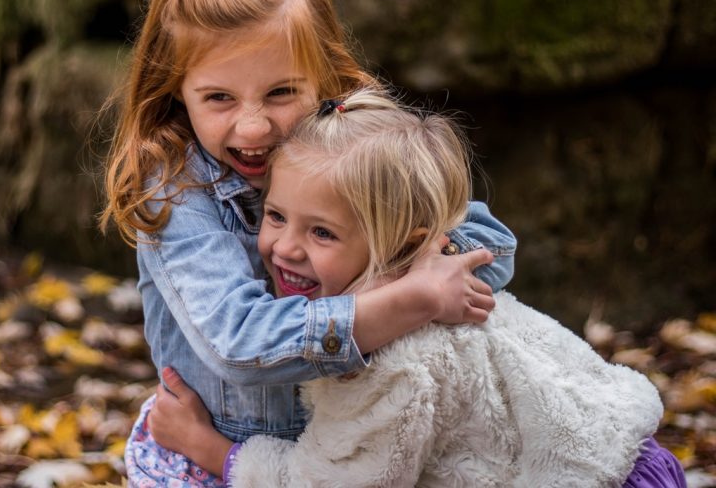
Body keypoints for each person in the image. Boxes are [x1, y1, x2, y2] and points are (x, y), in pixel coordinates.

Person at [100, 0, 516, 487]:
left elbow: (491, 249)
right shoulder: (177, 190)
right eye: (219, 98)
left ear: (324, 76)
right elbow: (239, 343)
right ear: (176, 89)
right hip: (215, 457)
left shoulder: (351, 150)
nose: (253, 127)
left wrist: (407, 276)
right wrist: (405, 299)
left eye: (280, 93)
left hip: (347, 451)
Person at [154, 88, 685, 487]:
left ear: (401, 244)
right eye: (274, 215)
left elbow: (329, 484)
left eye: (321, 232)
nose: (286, 248)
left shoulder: (390, 361)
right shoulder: (441, 281)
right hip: (622, 451)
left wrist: (210, 449)